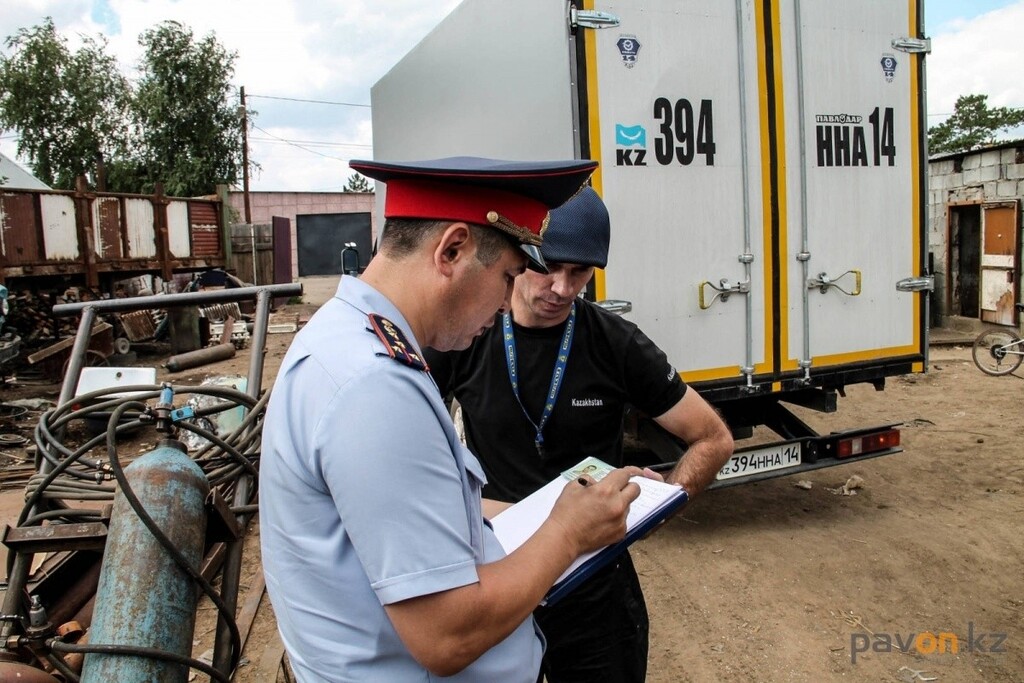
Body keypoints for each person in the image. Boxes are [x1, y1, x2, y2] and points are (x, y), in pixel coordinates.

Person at [259, 157, 650, 683]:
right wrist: (567, 533)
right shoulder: (375, 389)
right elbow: (448, 636)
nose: (506, 306)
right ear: (452, 251)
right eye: (510, 276)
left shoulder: (345, 337)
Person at [426, 186, 735, 683]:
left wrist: (660, 505)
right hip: (498, 581)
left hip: (595, 593)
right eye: (550, 267)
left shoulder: (615, 343)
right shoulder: (470, 335)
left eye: (581, 273)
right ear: (520, 254)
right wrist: (477, 507)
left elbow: (712, 438)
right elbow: (416, 458)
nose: (564, 289)